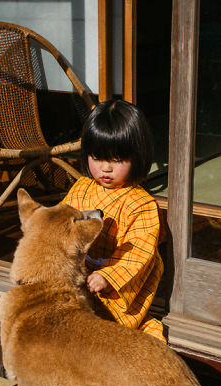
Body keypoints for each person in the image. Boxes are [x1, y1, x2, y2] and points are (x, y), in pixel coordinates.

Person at [61, 99, 165, 341]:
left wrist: (109, 276)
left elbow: (138, 252)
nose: (105, 168)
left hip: (117, 284)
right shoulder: (81, 187)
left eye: (117, 159)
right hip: (81, 272)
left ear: (137, 157)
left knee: (108, 327)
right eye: (97, 157)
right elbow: (62, 224)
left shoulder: (142, 204)